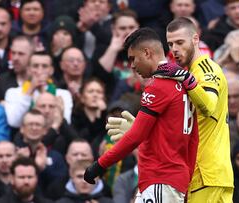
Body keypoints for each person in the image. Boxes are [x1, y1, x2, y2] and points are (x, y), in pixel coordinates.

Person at [107, 17, 234, 202]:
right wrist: (142, 130)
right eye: (170, 44)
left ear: (195, 39)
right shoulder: (185, 75)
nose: (174, 49)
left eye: (180, 42)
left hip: (206, 173)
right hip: (201, 174)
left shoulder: (206, 70)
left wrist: (184, 77)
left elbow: (209, 105)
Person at [84, 27, 199, 202]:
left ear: (146, 53)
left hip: (160, 178)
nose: (132, 66)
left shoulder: (158, 87)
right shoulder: (184, 85)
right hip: (172, 180)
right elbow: (193, 139)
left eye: (133, 58)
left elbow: (134, 137)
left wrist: (99, 165)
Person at [0, 35, 35, 104]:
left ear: (32, 56)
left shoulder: (42, 81)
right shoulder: (2, 80)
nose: (15, 58)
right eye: (13, 53)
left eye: (21, 54)